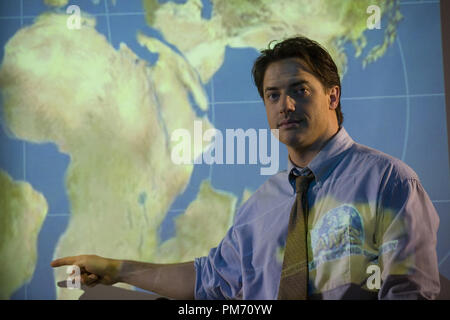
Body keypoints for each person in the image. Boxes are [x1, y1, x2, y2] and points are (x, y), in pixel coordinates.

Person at [51, 36, 440, 300]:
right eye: (273, 95)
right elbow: (210, 281)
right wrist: (118, 269)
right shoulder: (262, 205)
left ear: (332, 95)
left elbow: (410, 292)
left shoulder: (390, 182)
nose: (285, 106)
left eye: (299, 90)